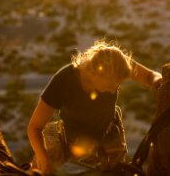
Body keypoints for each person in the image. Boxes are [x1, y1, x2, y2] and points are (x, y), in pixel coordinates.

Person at [27, 40, 162, 174]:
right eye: (109, 87)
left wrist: (158, 82)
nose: (112, 91)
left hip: (106, 133)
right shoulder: (64, 80)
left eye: (117, 88)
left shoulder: (116, 63)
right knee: (43, 170)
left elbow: (150, 76)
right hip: (70, 137)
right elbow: (34, 128)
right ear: (96, 73)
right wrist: (44, 160)